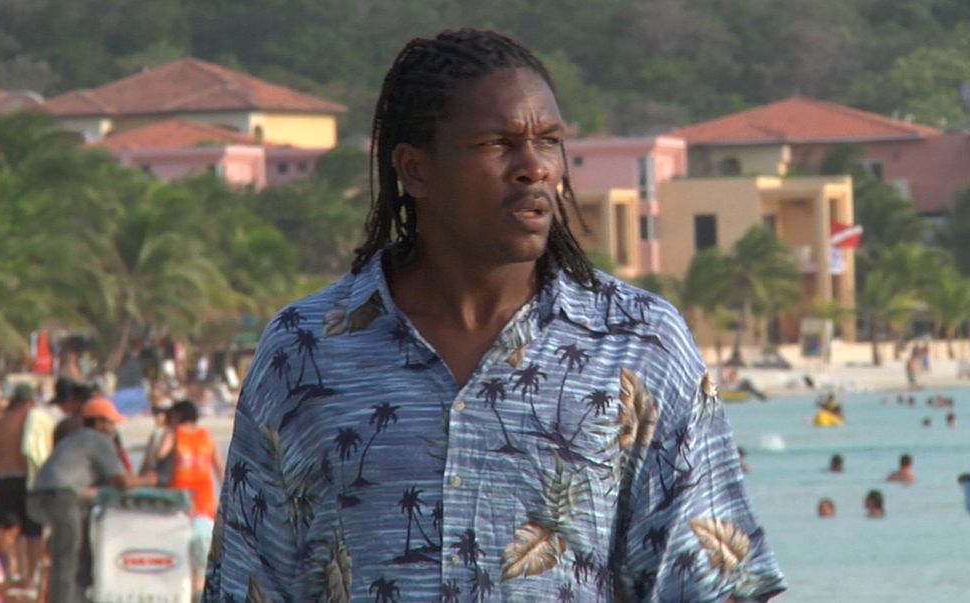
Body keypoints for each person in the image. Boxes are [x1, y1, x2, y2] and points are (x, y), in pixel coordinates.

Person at [205, 29, 785, 601]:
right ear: (415, 170)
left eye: (550, 140)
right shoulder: (303, 350)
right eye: (496, 144)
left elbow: (713, 586)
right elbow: (250, 580)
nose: (534, 167)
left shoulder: (637, 343)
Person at [26, 397, 155, 603]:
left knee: (73, 555)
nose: (113, 429)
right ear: (98, 423)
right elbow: (121, 481)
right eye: (111, 423)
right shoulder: (98, 440)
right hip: (60, 497)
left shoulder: (74, 438)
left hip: (39, 497)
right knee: (68, 560)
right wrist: (149, 480)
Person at [0, 384, 51, 587]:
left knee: (12, 530)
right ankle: (32, 575)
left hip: (6, 479)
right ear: (31, 402)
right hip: (31, 480)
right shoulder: (38, 422)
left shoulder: (0, 424)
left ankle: (16, 571)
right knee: (34, 532)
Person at [156, 399, 224, 593]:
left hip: (179, 503)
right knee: (202, 549)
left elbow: (159, 456)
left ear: (177, 416)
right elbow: (220, 470)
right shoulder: (208, 437)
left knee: (179, 549)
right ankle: (198, 588)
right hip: (205, 502)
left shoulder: (174, 434)